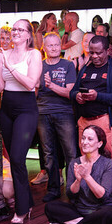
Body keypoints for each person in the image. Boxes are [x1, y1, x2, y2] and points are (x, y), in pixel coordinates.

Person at [0, 19, 42, 224]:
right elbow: (0, 87)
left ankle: (21, 209)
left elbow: (31, 84)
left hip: (26, 109)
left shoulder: (34, 54)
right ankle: (27, 202)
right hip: (7, 108)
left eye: (20, 29)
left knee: (17, 158)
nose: (15, 32)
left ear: (28, 35)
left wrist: (10, 67)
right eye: (13, 29)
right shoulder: (3, 55)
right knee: (14, 159)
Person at [45, 125, 112, 224]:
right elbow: (70, 195)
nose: (85, 142)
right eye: (83, 138)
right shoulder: (74, 163)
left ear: (99, 144)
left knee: (109, 214)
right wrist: (78, 180)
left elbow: (102, 196)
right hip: (80, 212)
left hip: (102, 210)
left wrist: (87, 177)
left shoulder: (108, 164)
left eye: (90, 139)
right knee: (50, 207)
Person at [70, 35, 112, 165]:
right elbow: (72, 91)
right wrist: (77, 95)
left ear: (108, 51)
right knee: (86, 161)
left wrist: (98, 96)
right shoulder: (85, 68)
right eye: (91, 53)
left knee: (107, 160)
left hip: (104, 120)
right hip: (84, 121)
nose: (95, 56)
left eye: (98, 53)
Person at [36, 32, 78, 203]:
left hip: (64, 113)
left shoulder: (68, 65)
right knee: (48, 153)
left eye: (56, 45)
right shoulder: (38, 66)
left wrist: (52, 85)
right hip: (42, 113)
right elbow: (34, 91)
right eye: (50, 45)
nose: (54, 48)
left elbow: (70, 93)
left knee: (71, 152)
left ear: (60, 46)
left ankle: (73, 190)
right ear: (44, 48)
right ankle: (53, 189)